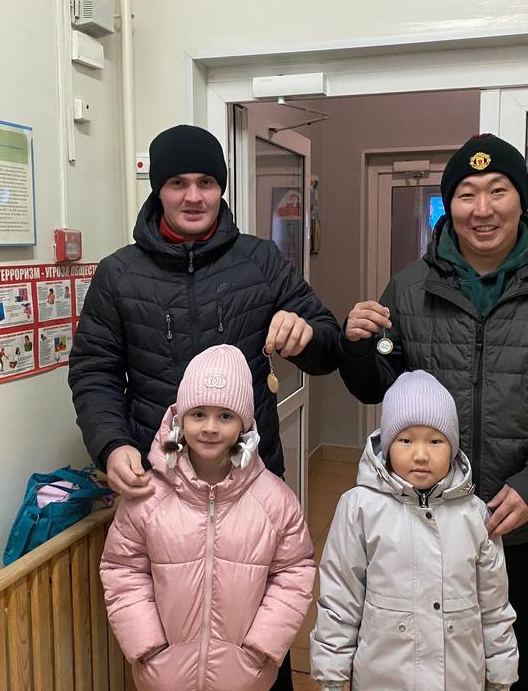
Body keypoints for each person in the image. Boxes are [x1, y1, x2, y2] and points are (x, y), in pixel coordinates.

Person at [338, 134, 528, 690]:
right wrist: (356, 348)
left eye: (498, 190)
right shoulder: (410, 287)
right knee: (438, 670)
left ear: (522, 199)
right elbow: (380, 391)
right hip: (429, 526)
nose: (483, 209)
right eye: (467, 194)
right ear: (450, 205)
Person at [70, 123, 338, 689]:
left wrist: (307, 335)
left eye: (207, 182)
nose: (193, 196)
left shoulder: (261, 261)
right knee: (170, 643)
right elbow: (94, 372)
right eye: (178, 183)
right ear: (158, 190)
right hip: (159, 493)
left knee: (258, 640)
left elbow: (328, 342)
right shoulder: (118, 274)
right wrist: (111, 444)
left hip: (250, 485)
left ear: (221, 188)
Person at [100, 345, 315, 691]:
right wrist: (148, 646)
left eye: (225, 416)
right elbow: (122, 569)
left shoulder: (275, 501)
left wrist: (261, 647)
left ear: (244, 425)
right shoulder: (147, 497)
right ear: (179, 419)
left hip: (245, 675)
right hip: (164, 675)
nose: (210, 428)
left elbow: (294, 573)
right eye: (198, 414)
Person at [311, 370, 518, 691]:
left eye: (435, 441)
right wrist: (332, 675)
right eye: (406, 440)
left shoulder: (475, 514)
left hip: (460, 679)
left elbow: (494, 605)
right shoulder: (359, 508)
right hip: (383, 680)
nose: (421, 455)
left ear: (452, 447)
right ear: (387, 444)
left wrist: (500, 674)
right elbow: (340, 598)